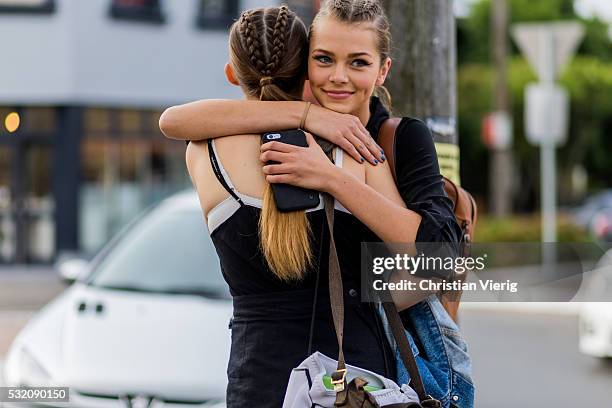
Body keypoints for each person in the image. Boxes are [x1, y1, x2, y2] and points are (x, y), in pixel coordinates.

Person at [162, 1, 474, 406]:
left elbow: (172, 121)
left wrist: (327, 173)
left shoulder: (205, 151)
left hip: (256, 380)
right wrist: (311, 118)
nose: (338, 76)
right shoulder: (359, 152)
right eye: (324, 59)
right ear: (304, 68)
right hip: (355, 381)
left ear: (383, 71)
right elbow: (414, 279)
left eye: (358, 62)